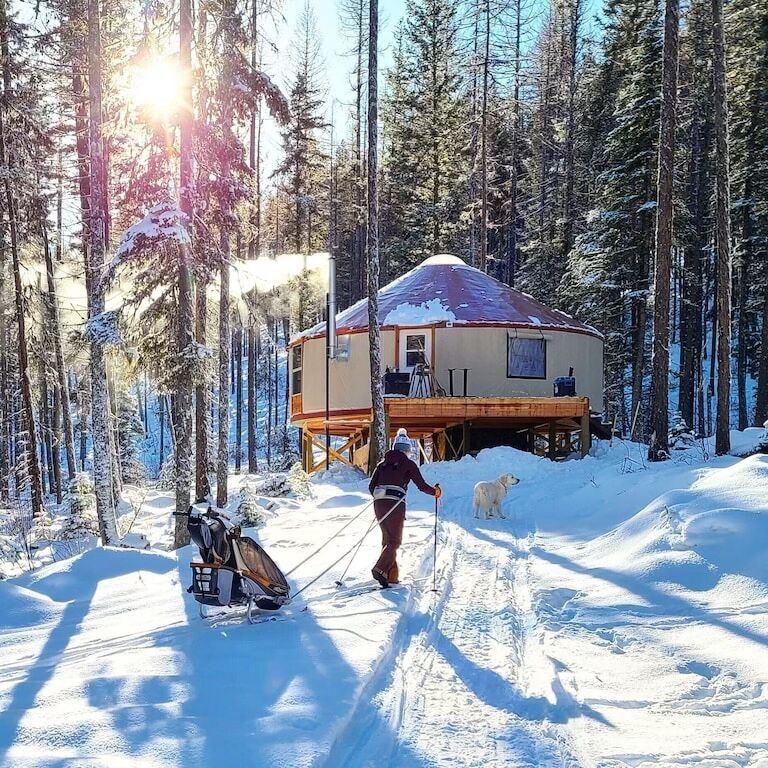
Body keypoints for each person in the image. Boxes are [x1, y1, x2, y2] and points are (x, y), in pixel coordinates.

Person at [368, 428, 441, 588]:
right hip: (395, 504)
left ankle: (390, 576)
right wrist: (435, 492)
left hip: (379, 503)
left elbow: (371, 486)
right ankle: (380, 569)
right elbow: (421, 485)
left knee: (387, 539)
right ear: (407, 450)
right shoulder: (408, 464)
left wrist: (380, 496)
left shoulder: (382, 464)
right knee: (395, 540)